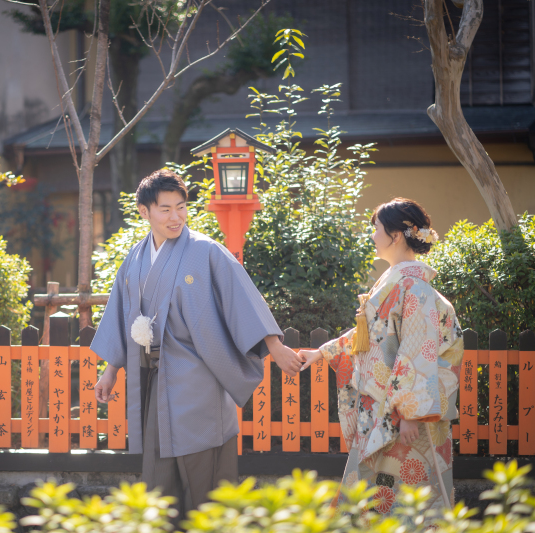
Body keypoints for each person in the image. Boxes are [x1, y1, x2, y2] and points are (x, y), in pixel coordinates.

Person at [91, 169, 303, 519]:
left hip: (198, 376)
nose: (175, 217)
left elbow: (240, 298)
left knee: (205, 472)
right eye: (165, 209)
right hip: (154, 379)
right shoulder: (134, 258)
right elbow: (122, 313)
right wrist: (111, 369)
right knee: (159, 474)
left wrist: (274, 346)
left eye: (181, 207)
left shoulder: (206, 251)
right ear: (144, 211)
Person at [300, 198, 463, 523]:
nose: (372, 236)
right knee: (377, 493)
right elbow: (372, 335)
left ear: (396, 235)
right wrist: (323, 352)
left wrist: (411, 412)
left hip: (403, 416)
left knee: (405, 496)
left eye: (376, 229)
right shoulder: (396, 283)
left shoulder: (415, 288)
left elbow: (418, 351)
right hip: (383, 408)